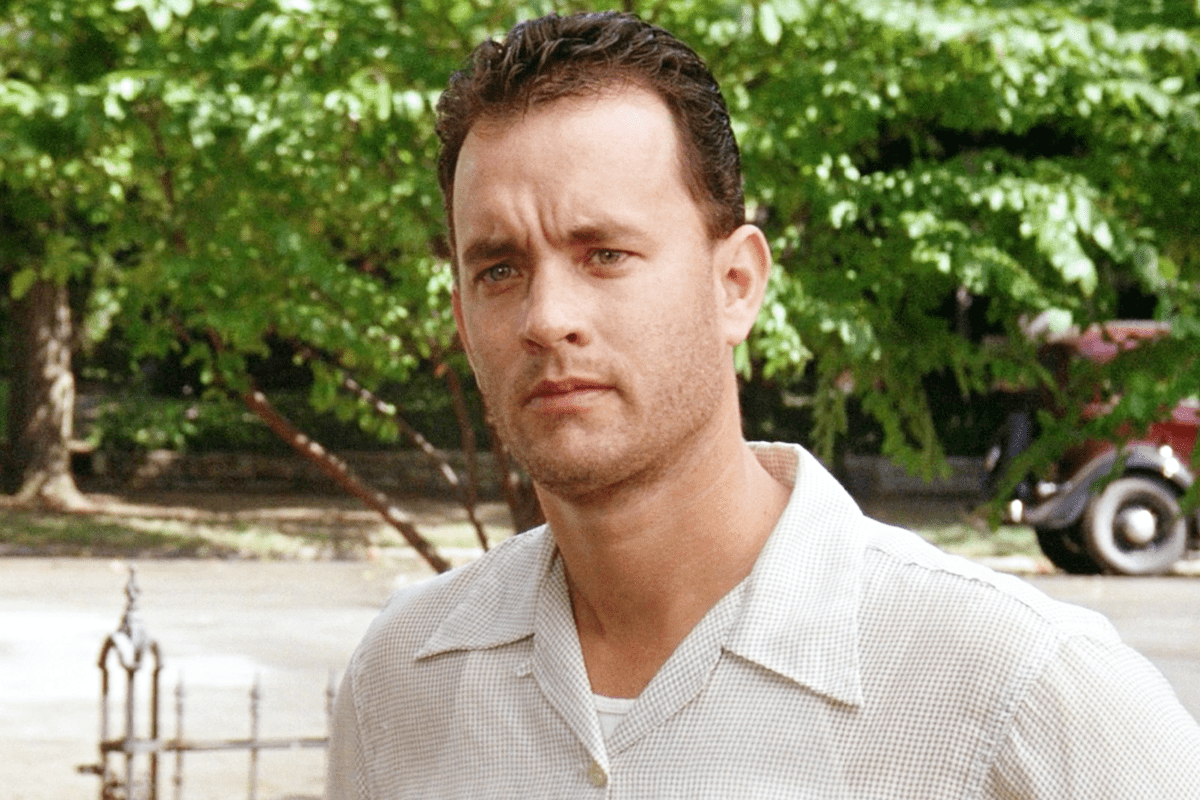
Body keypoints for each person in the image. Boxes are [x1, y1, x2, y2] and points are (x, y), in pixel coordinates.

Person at [327, 11, 1200, 798]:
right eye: (500, 269)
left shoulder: (1021, 691)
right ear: (461, 314)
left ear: (736, 284)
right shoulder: (398, 686)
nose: (547, 317)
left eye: (605, 254)